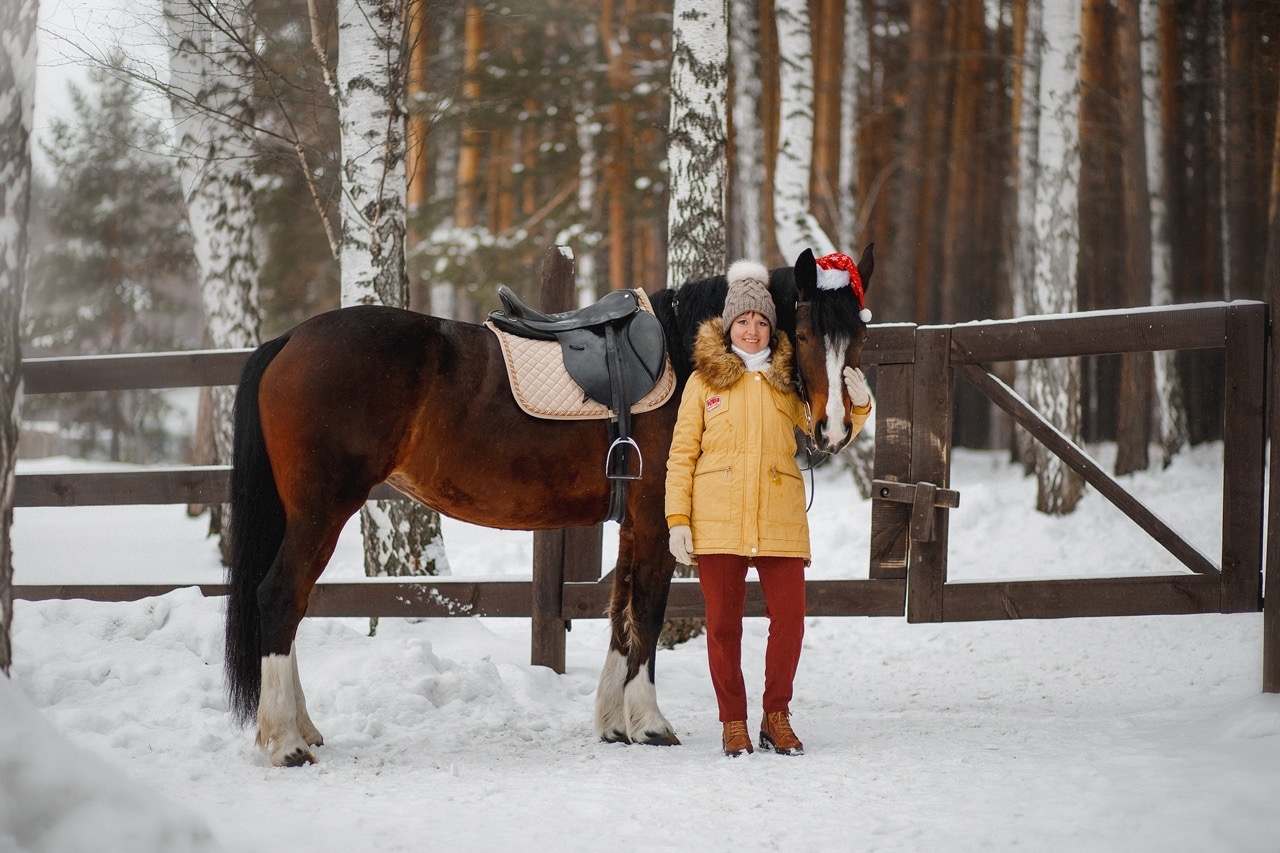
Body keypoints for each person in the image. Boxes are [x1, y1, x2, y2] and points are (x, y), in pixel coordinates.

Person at [664, 260, 872, 757]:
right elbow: (681, 455)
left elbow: (827, 432)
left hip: (779, 517)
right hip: (717, 521)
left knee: (791, 620)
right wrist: (677, 520)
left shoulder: (789, 382)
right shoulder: (701, 384)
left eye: (761, 322)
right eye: (743, 321)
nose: (753, 330)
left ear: (771, 328)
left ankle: (775, 715)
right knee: (722, 626)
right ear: (728, 326)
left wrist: (859, 406)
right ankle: (733, 721)